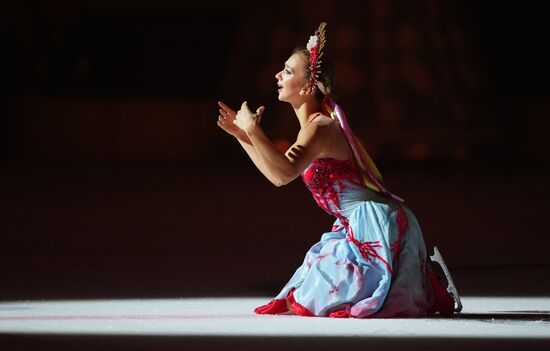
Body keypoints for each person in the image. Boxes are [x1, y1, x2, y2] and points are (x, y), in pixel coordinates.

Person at [217, 22, 461, 318]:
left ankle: (423, 280)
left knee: (318, 297)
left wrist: (254, 131)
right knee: (307, 291)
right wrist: (243, 136)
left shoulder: (320, 128)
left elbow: (283, 174)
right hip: (354, 225)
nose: (278, 75)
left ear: (308, 86)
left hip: (377, 224)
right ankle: (419, 279)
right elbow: (276, 174)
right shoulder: (313, 127)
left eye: (288, 71)